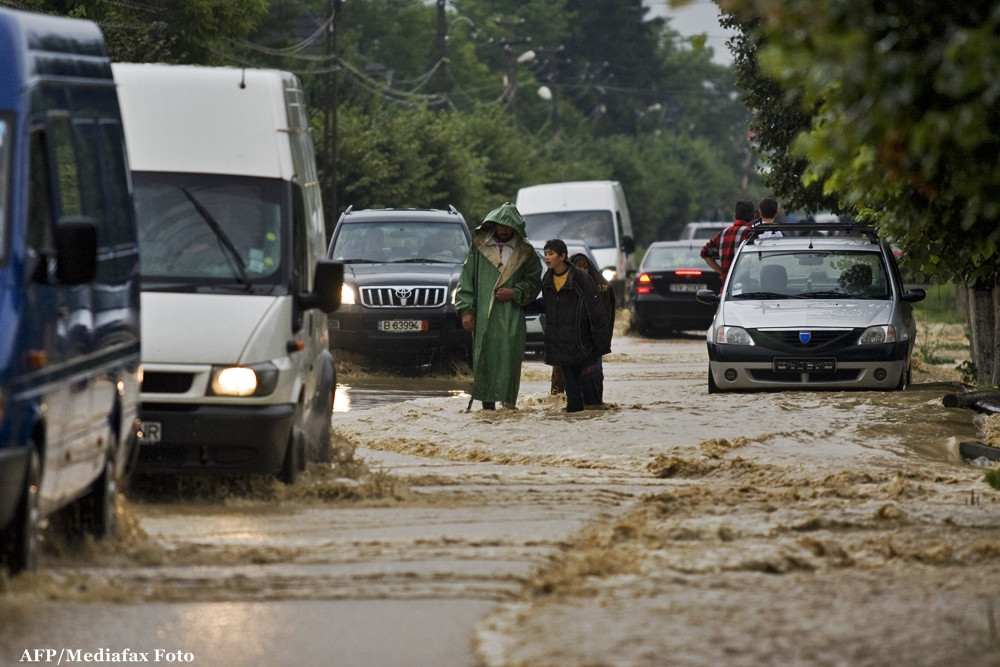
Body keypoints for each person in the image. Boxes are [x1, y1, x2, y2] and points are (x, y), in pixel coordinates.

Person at [456, 202, 543, 410]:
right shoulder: (478, 246)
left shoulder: (526, 252)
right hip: (484, 315)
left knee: (509, 359)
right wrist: (466, 310)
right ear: (493, 225)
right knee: (485, 357)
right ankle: (487, 407)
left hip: (511, 315)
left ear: (516, 228)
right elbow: (467, 279)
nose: (504, 230)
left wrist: (515, 292)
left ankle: (508, 406)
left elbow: (533, 282)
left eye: (508, 227)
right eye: (500, 226)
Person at [540, 239, 611, 413]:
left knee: (592, 401)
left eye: (551, 254)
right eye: (546, 253)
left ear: (563, 256)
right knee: (574, 404)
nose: (547, 258)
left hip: (583, 346)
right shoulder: (548, 279)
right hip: (563, 346)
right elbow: (547, 305)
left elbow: (596, 311)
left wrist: (600, 345)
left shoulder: (581, 279)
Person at [700, 199, 756, 286]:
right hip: (747, 290)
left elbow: (704, 253)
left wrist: (722, 272)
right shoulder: (751, 235)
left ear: (735, 215)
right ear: (753, 216)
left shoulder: (723, 234)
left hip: (726, 292)